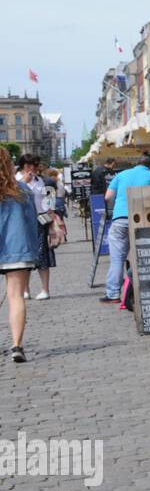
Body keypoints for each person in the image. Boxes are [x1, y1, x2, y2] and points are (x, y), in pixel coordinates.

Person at [101, 154, 150, 305]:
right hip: (143, 221)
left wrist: (120, 204)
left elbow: (108, 197)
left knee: (117, 259)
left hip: (120, 220)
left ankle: (113, 294)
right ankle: (142, 289)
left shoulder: (121, 175)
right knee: (143, 257)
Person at [0, 148, 41, 362]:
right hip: (17, 248)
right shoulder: (23, 190)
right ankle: (16, 345)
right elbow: (30, 223)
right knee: (16, 296)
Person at [16, 155, 54, 300]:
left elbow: (50, 203)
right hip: (21, 221)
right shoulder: (15, 180)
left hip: (40, 220)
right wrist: (23, 183)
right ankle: (25, 289)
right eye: (28, 165)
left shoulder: (43, 181)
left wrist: (50, 220)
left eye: (35, 165)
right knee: (25, 256)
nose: (32, 169)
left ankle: (45, 289)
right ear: (22, 166)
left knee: (42, 254)